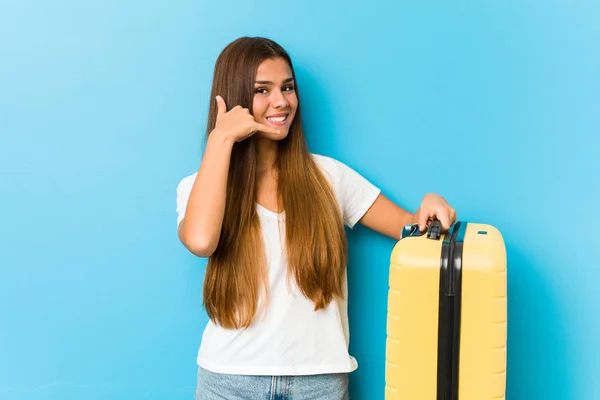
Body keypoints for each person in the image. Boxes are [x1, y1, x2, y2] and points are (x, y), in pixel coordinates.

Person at [175, 36, 457, 400]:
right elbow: (200, 241)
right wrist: (221, 139)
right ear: (235, 100)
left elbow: (411, 229)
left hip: (318, 381)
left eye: (287, 88)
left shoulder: (329, 177)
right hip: (229, 380)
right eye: (262, 90)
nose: (281, 101)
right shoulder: (200, 187)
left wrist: (429, 204)